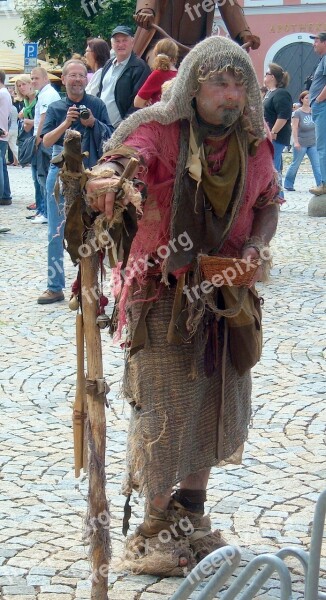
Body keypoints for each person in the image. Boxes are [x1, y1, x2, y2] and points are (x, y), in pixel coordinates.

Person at [86, 36, 280, 576]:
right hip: (162, 296)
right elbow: (127, 158)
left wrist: (256, 248)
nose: (233, 95)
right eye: (220, 83)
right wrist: (109, 177)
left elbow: (269, 202)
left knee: (218, 405)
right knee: (166, 410)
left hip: (228, 297)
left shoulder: (252, 139)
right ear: (193, 86)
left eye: (241, 84)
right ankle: (150, 529)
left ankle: (190, 516)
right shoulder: (161, 129)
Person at [37, 59, 112, 305]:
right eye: (73, 76)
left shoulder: (96, 105)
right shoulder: (57, 107)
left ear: (86, 80)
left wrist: (92, 123)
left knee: (93, 231)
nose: (78, 79)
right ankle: (55, 286)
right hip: (59, 175)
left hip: (90, 174)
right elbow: (46, 142)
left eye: (82, 75)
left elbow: (111, 135)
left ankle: (90, 286)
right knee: (56, 232)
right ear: (65, 80)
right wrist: (66, 123)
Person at [133, 0, 260, 65]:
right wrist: (146, 10)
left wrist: (243, 33)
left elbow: (229, 4)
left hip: (195, 49)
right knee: (160, 68)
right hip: (158, 45)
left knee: (215, 78)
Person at [98, 25, 151, 128]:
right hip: (101, 126)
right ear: (112, 44)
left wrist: (124, 128)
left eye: (125, 40)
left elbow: (137, 104)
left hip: (121, 130)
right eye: (117, 41)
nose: (121, 44)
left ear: (132, 42)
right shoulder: (108, 64)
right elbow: (101, 92)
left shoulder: (140, 67)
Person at [30, 67, 61, 224]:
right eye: (32, 78)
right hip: (44, 139)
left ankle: (47, 213)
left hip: (44, 140)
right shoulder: (43, 93)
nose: (33, 81)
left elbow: (43, 118)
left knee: (43, 176)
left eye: (36, 78)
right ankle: (43, 210)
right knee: (40, 175)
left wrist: (37, 139)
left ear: (45, 79)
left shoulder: (47, 94)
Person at [263, 63, 292, 196]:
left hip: (276, 137)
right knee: (274, 166)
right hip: (267, 136)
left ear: (273, 77)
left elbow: (283, 116)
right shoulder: (270, 93)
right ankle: (277, 195)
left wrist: (273, 132)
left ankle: (276, 196)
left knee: (272, 166)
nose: (265, 76)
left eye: (267, 73)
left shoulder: (281, 94)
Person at [15, 74, 42, 214]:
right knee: (34, 174)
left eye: (23, 84)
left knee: (40, 174)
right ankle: (39, 204)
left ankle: (41, 206)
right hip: (30, 139)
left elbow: (40, 120)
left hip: (40, 139)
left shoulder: (38, 98)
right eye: (19, 86)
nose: (22, 87)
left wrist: (27, 120)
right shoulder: (25, 102)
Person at [284, 91, 321, 192]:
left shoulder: (313, 111)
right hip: (301, 142)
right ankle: (288, 183)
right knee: (295, 164)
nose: (308, 100)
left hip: (313, 143)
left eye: (310, 98)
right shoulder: (297, 113)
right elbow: (295, 128)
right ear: (302, 100)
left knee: (317, 164)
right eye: (306, 98)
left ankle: (321, 184)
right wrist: (296, 142)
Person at [134, 38, 178, 107]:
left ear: (155, 54)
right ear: (175, 57)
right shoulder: (179, 75)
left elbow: (137, 103)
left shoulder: (157, 74)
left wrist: (147, 103)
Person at [308, 32, 326, 196]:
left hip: (323, 107)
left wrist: (319, 99)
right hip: (320, 106)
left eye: (317, 41)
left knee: (322, 146)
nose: (314, 44)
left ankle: (324, 184)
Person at [0, 70, 13, 206]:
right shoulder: (6, 93)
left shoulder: (1, 93)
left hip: (0, 132)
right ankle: (5, 195)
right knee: (2, 165)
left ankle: (3, 194)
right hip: (3, 132)